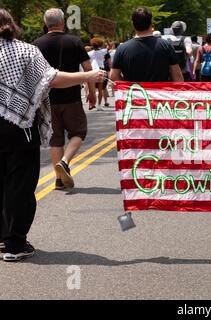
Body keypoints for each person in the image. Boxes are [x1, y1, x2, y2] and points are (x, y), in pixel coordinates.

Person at [0, 8, 105, 261]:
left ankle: (4, 238)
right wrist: (88, 76)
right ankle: (14, 244)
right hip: (19, 127)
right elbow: (52, 79)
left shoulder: (31, 48)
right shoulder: (26, 50)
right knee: (20, 186)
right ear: (11, 25)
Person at [33, 8, 96, 190]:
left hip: (47, 100)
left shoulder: (36, 44)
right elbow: (88, 69)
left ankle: (59, 179)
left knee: (56, 139)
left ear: (46, 24)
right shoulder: (75, 42)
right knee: (78, 132)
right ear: (63, 22)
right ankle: (65, 161)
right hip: (72, 97)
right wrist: (91, 92)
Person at [110, 8, 183, 83]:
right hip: (159, 93)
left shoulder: (122, 48)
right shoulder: (166, 45)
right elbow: (177, 75)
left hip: (134, 93)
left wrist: (129, 87)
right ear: (151, 23)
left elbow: (113, 76)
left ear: (133, 24)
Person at [88, 38, 108, 110]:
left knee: (91, 89)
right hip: (101, 70)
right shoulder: (103, 51)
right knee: (100, 89)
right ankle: (99, 105)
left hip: (92, 70)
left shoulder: (89, 53)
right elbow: (107, 47)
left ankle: (91, 104)